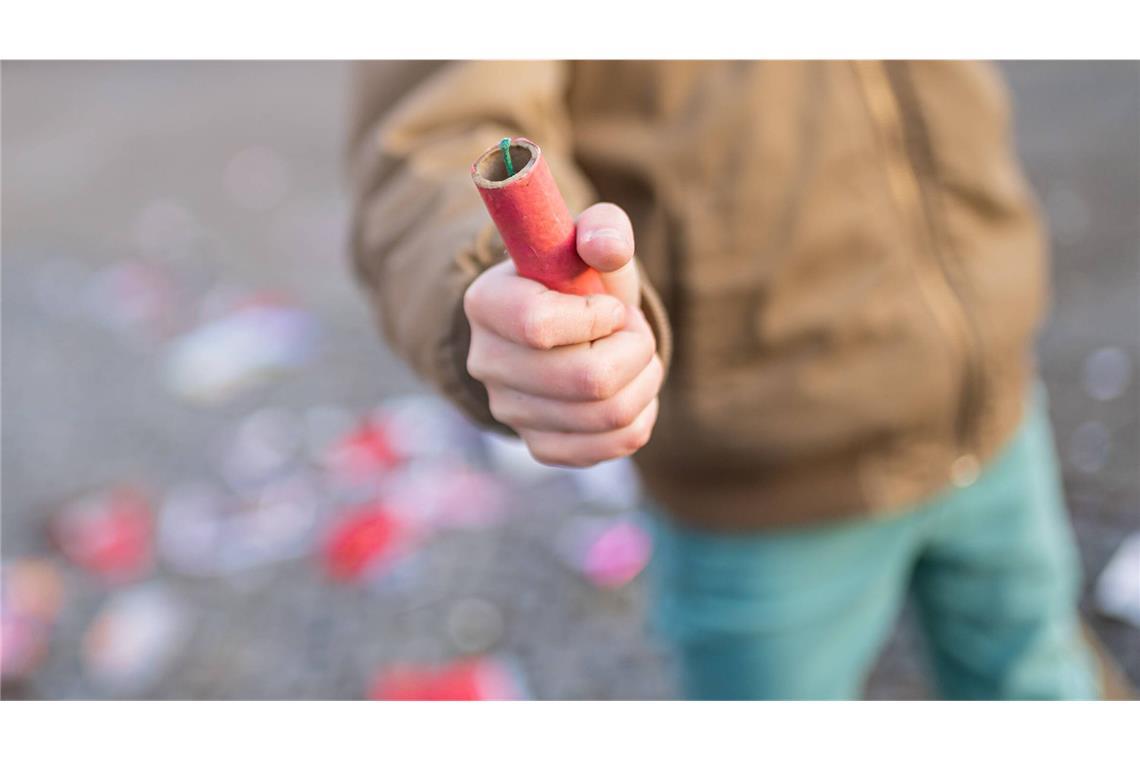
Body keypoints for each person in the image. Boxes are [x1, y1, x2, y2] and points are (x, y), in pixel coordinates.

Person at [348, 61, 1125, 699]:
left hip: (992, 412)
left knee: (1034, 674)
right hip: (759, 490)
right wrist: (499, 295)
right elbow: (441, 133)